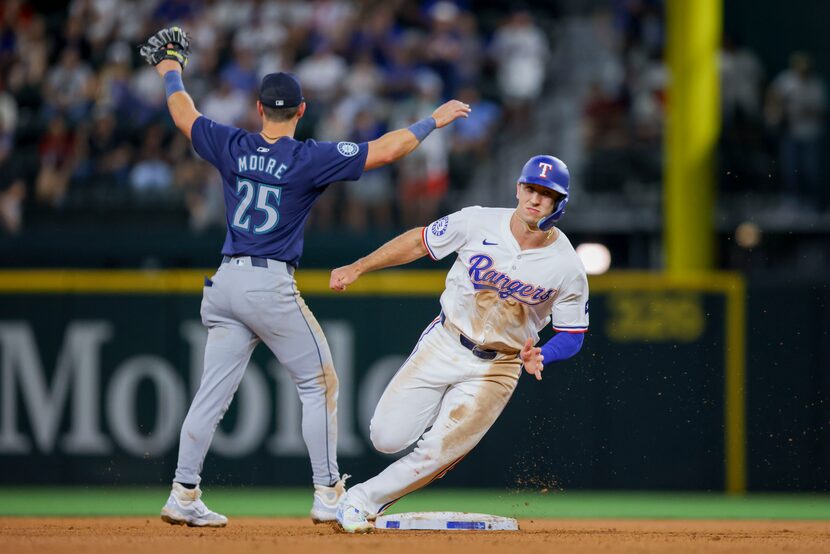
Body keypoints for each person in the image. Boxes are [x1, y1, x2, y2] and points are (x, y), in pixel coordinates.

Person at [139, 26, 470, 528]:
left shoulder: (231, 143)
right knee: (320, 383)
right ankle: (329, 493)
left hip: (225, 282)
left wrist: (169, 69)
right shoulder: (306, 157)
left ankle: (183, 492)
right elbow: (383, 151)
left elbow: (184, 115)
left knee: (211, 393)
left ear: (258, 109)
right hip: (268, 284)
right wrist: (433, 121)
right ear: (300, 109)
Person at [329, 154, 589, 533]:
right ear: (518, 189)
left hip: (499, 365)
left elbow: (573, 333)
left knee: (438, 451)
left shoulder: (566, 265)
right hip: (445, 341)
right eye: (531, 189)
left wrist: (544, 354)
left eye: (546, 194)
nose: (535, 199)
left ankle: (361, 501)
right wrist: (359, 266)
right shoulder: (477, 220)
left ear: (558, 203)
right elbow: (419, 242)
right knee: (386, 437)